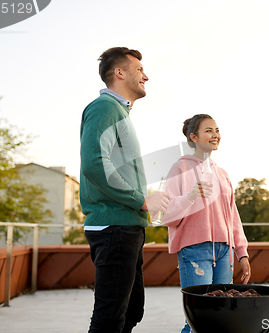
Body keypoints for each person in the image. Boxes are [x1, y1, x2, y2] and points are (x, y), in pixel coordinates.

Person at [80, 47, 171, 333]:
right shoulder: (105, 107)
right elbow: (94, 164)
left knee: (131, 311)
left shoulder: (120, 112)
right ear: (119, 72)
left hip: (126, 226)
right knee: (110, 318)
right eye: (139, 69)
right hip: (113, 227)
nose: (146, 75)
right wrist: (141, 199)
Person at [161, 114, 251, 333]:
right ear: (193, 137)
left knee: (220, 315)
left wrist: (242, 253)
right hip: (194, 250)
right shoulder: (179, 168)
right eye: (208, 130)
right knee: (199, 317)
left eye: (217, 130)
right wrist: (190, 196)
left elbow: (233, 216)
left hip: (224, 251)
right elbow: (167, 214)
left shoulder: (222, 174)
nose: (215, 135)